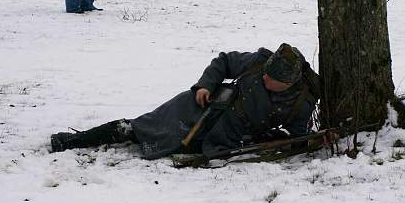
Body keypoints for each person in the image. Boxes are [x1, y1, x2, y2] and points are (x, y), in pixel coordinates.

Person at [50, 43, 320, 159]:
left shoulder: (301, 100)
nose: (264, 80)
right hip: (203, 108)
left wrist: (308, 142)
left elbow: (297, 134)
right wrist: (205, 85)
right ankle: (73, 141)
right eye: (264, 75)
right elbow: (224, 61)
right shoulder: (258, 64)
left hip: (227, 138)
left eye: (271, 80)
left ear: (289, 82)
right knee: (138, 129)